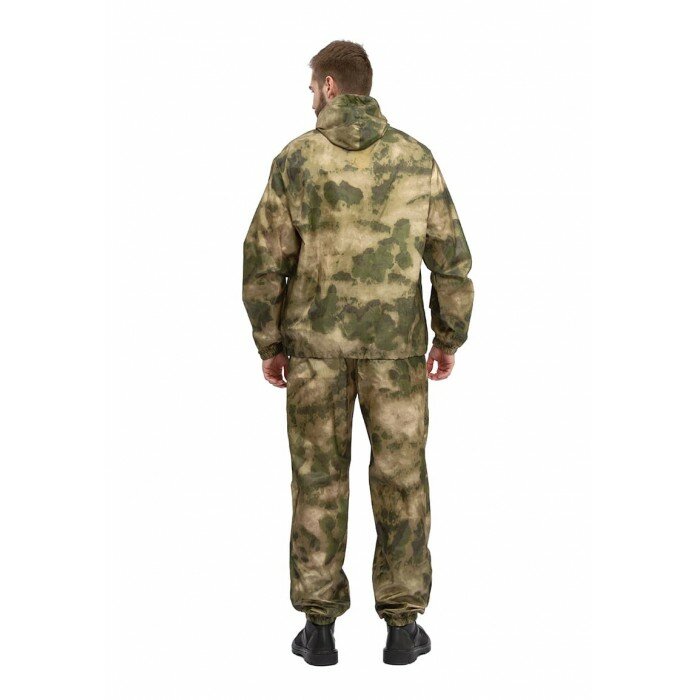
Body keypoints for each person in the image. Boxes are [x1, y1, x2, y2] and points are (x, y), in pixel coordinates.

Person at [242, 39, 474, 665]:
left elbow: (262, 261)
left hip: (314, 354)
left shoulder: (296, 159)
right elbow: (452, 260)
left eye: (311, 87)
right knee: (402, 482)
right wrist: (448, 336)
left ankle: (319, 630)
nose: (309, 98)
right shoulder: (415, 158)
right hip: (396, 355)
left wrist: (270, 342)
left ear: (330, 86)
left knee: (318, 482)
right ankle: (402, 627)